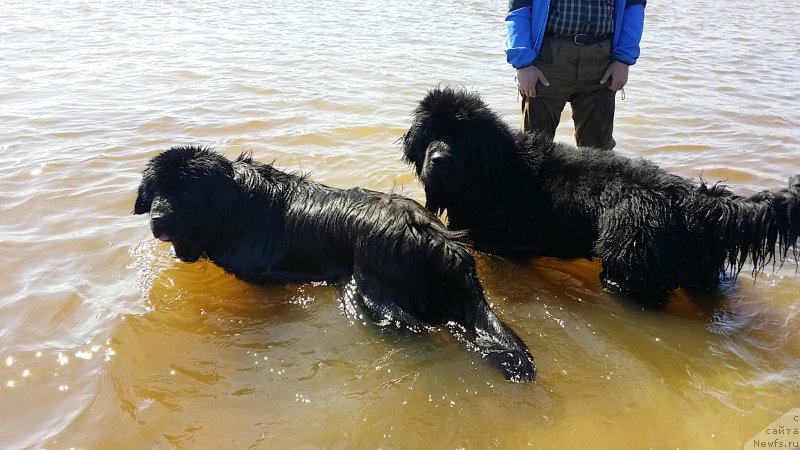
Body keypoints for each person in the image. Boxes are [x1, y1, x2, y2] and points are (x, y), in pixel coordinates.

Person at [505, 0, 646, 149]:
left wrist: (623, 60)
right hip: (547, 58)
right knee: (534, 148)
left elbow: (634, 7)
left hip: (602, 61)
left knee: (598, 154)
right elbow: (519, 9)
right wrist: (523, 63)